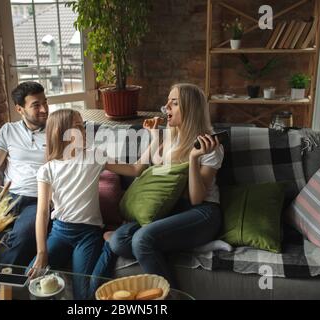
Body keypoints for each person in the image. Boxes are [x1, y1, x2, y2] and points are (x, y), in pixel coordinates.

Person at [106, 83, 224, 288]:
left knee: (142, 240)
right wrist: (153, 136)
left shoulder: (210, 146)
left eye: (174, 103)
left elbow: (196, 198)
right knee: (118, 241)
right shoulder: (172, 136)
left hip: (203, 213)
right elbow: (154, 170)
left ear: (190, 108)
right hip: (172, 208)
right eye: (167, 102)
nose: (166, 107)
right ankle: (188, 244)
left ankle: (172, 295)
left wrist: (194, 159)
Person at [28, 109, 125, 299]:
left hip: (88, 234)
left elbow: (136, 169)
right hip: (60, 232)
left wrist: (153, 139)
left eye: (83, 125)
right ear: (61, 132)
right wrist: (42, 252)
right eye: (78, 126)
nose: (84, 129)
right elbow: (42, 214)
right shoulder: (47, 169)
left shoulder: (94, 156)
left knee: (85, 296)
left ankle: (109, 245)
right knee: (31, 281)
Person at [0, 81, 49, 266]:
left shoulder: (56, 130)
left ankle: (1, 287)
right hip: (8, 197)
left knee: (22, 235)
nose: (44, 109)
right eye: (36, 105)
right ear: (20, 109)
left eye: (45, 102)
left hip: (38, 199)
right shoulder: (8, 131)